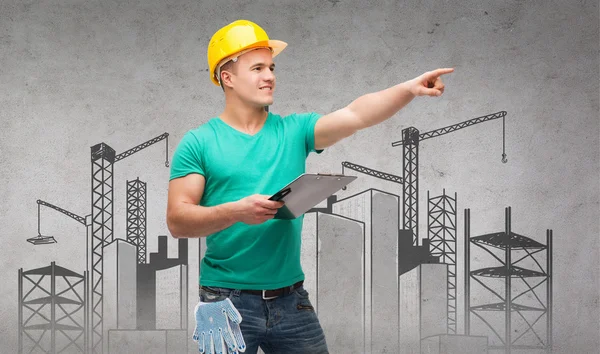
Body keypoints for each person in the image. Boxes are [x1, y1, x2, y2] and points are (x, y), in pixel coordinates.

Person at [166, 19, 453, 354]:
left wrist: (408, 89)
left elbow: (357, 115)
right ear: (227, 77)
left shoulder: (295, 131)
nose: (270, 76)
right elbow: (178, 220)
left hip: (291, 301)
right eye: (257, 67)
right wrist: (237, 211)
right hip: (224, 302)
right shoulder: (199, 143)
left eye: (271, 67)